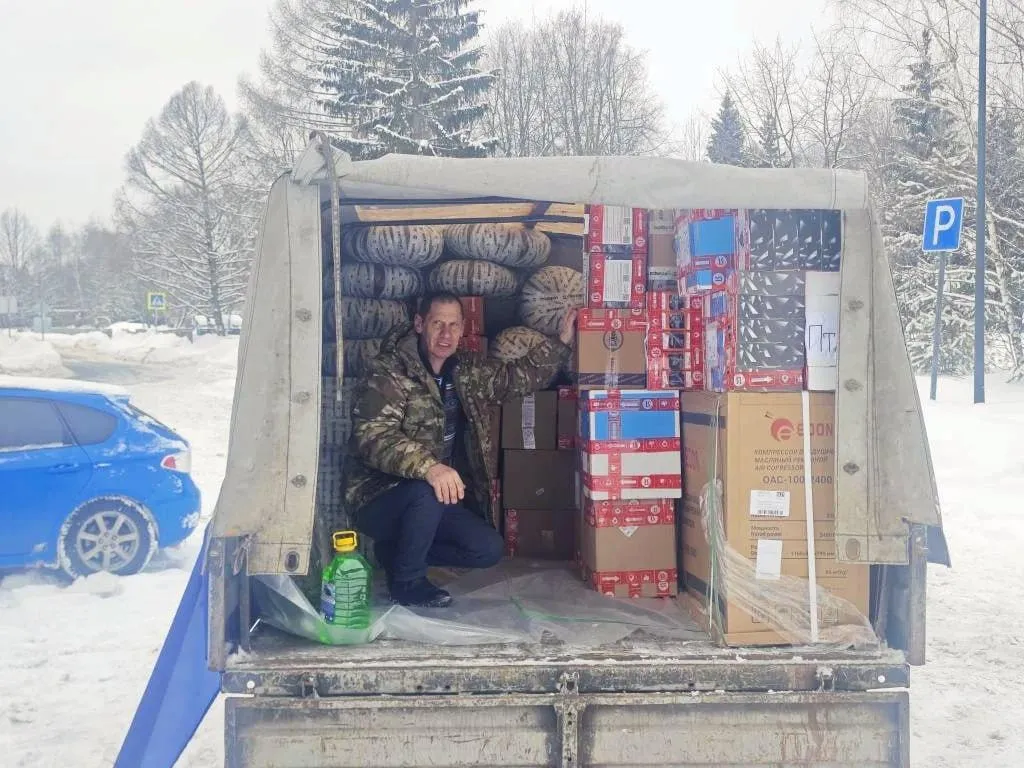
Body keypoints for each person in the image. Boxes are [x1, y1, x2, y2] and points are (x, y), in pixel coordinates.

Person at [344, 290, 576, 608]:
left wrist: (561, 342)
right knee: (424, 491)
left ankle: (396, 552)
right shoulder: (388, 372)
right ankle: (407, 583)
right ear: (419, 324)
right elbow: (373, 436)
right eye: (438, 323)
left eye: (454, 325)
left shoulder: (465, 371)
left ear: (463, 329)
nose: (446, 334)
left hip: (433, 499)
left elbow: (513, 379)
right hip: (378, 497)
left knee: (487, 549)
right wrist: (429, 467)